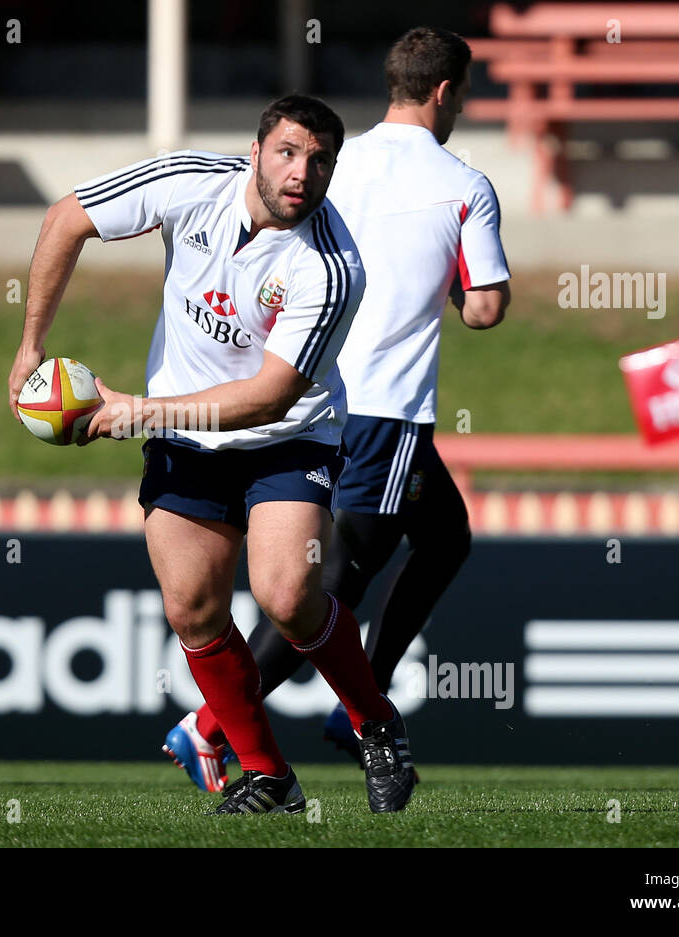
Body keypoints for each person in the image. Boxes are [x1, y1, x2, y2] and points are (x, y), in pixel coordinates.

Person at [8, 94, 416, 814]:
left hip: (286, 438)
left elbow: (267, 398)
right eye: (289, 152)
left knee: (287, 595)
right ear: (256, 151)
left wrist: (137, 414)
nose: (302, 173)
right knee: (192, 609)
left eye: (321, 161)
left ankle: (375, 722)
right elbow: (67, 217)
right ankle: (268, 776)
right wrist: (30, 347)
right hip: (184, 437)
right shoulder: (190, 182)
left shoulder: (332, 265)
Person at [166, 26, 510, 791]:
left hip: (316, 391)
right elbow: (484, 308)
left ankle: (350, 704)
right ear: (447, 91)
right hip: (384, 405)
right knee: (330, 585)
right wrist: (455, 281)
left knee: (443, 537)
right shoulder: (464, 182)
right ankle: (212, 724)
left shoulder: (329, 164)